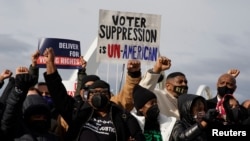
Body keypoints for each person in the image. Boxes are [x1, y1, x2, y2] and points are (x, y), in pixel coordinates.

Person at [42, 47, 145, 141]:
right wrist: (50, 64)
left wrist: (134, 74)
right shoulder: (78, 111)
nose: (99, 95)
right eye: (94, 92)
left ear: (109, 96)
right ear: (88, 95)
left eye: (103, 92)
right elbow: (58, 94)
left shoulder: (121, 115)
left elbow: (128, 96)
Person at [1, 66, 59, 141]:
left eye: (43, 117)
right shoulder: (14, 131)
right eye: (29, 98)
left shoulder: (53, 136)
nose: (41, 119)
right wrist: (19, 85)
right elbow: (11, 107)